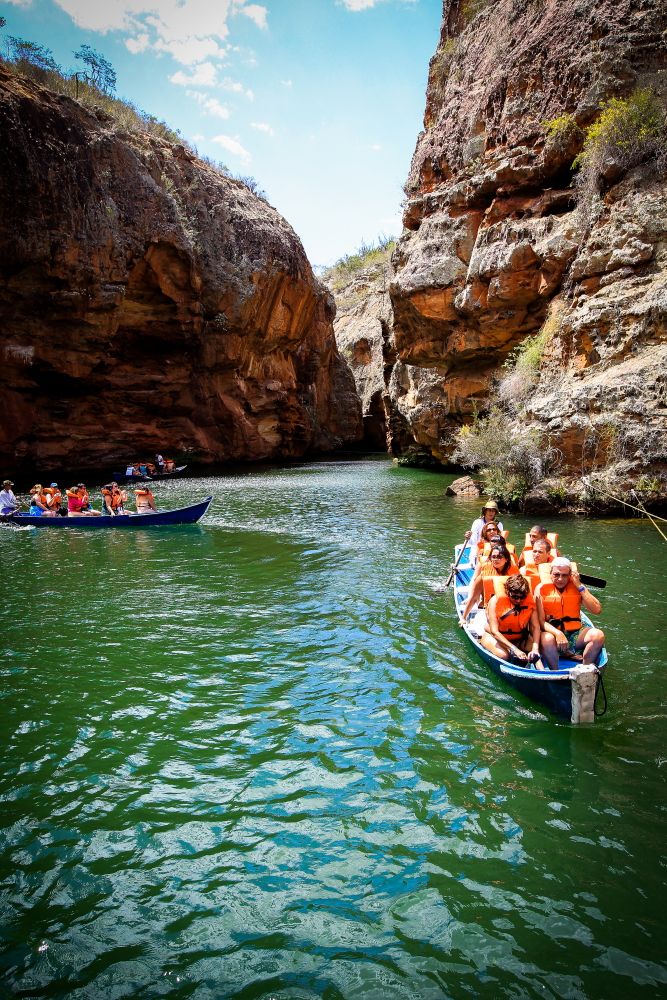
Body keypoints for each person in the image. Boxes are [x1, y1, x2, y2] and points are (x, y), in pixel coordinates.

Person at [535, 557, 605, 669]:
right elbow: (540, 621)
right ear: (550, 573)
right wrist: (558, 633)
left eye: (564, 575)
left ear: (570, 575)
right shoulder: (541, 589)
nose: (560, 579)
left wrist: (579, 585)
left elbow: (597, 610)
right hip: (552, 635)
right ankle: (554, 672)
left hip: (575, 634)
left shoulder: (577, 587)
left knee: (598, 635)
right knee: (546, 639)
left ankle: (585, 670)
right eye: (556, 574)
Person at [480, 574, 542, 667]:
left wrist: (535, 648)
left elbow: (535, 626)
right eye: (515, 597)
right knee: (503, 655)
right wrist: (514, 649)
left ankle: (542, 672)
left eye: (522, 597)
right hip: (496, 638)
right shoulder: (495, 601)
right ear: (507, 592)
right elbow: (495, 632)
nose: (518, 600)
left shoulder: (529, 602)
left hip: (519, 638)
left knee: (535, 649)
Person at [460, 543, 520, 623]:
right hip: (486, 609)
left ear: (506, 559)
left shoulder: (514, 575)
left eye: (499, 557)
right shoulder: (483, 576)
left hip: (508, 610)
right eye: (493, 557)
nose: (496, 559)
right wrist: (463, 618)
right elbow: (473, 598)